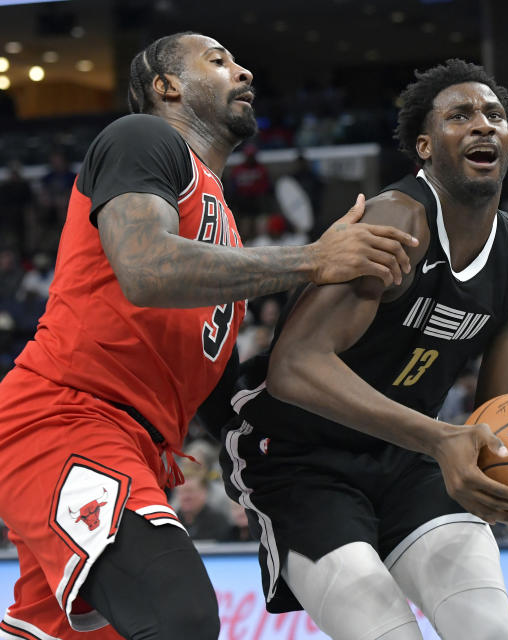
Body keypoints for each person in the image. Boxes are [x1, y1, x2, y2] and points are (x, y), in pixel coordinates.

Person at [0, 32, 419, 640]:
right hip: (65, 417)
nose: (244, 71)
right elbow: (146, 269)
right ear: (166, 86)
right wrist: (313, 260)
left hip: (136, 445)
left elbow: (217, 393)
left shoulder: (221, 225)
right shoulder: (141, 138)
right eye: (219, 62)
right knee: (181, 618)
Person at [221, 60, 508, 640]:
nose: (482, 126)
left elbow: (494, 417)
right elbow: (294, 367)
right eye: (460, 115)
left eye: (494, 116)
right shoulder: (396, 222)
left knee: (491, 632)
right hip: (298, 457)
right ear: (424, 146)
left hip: (409, 454)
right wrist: (441, 438)